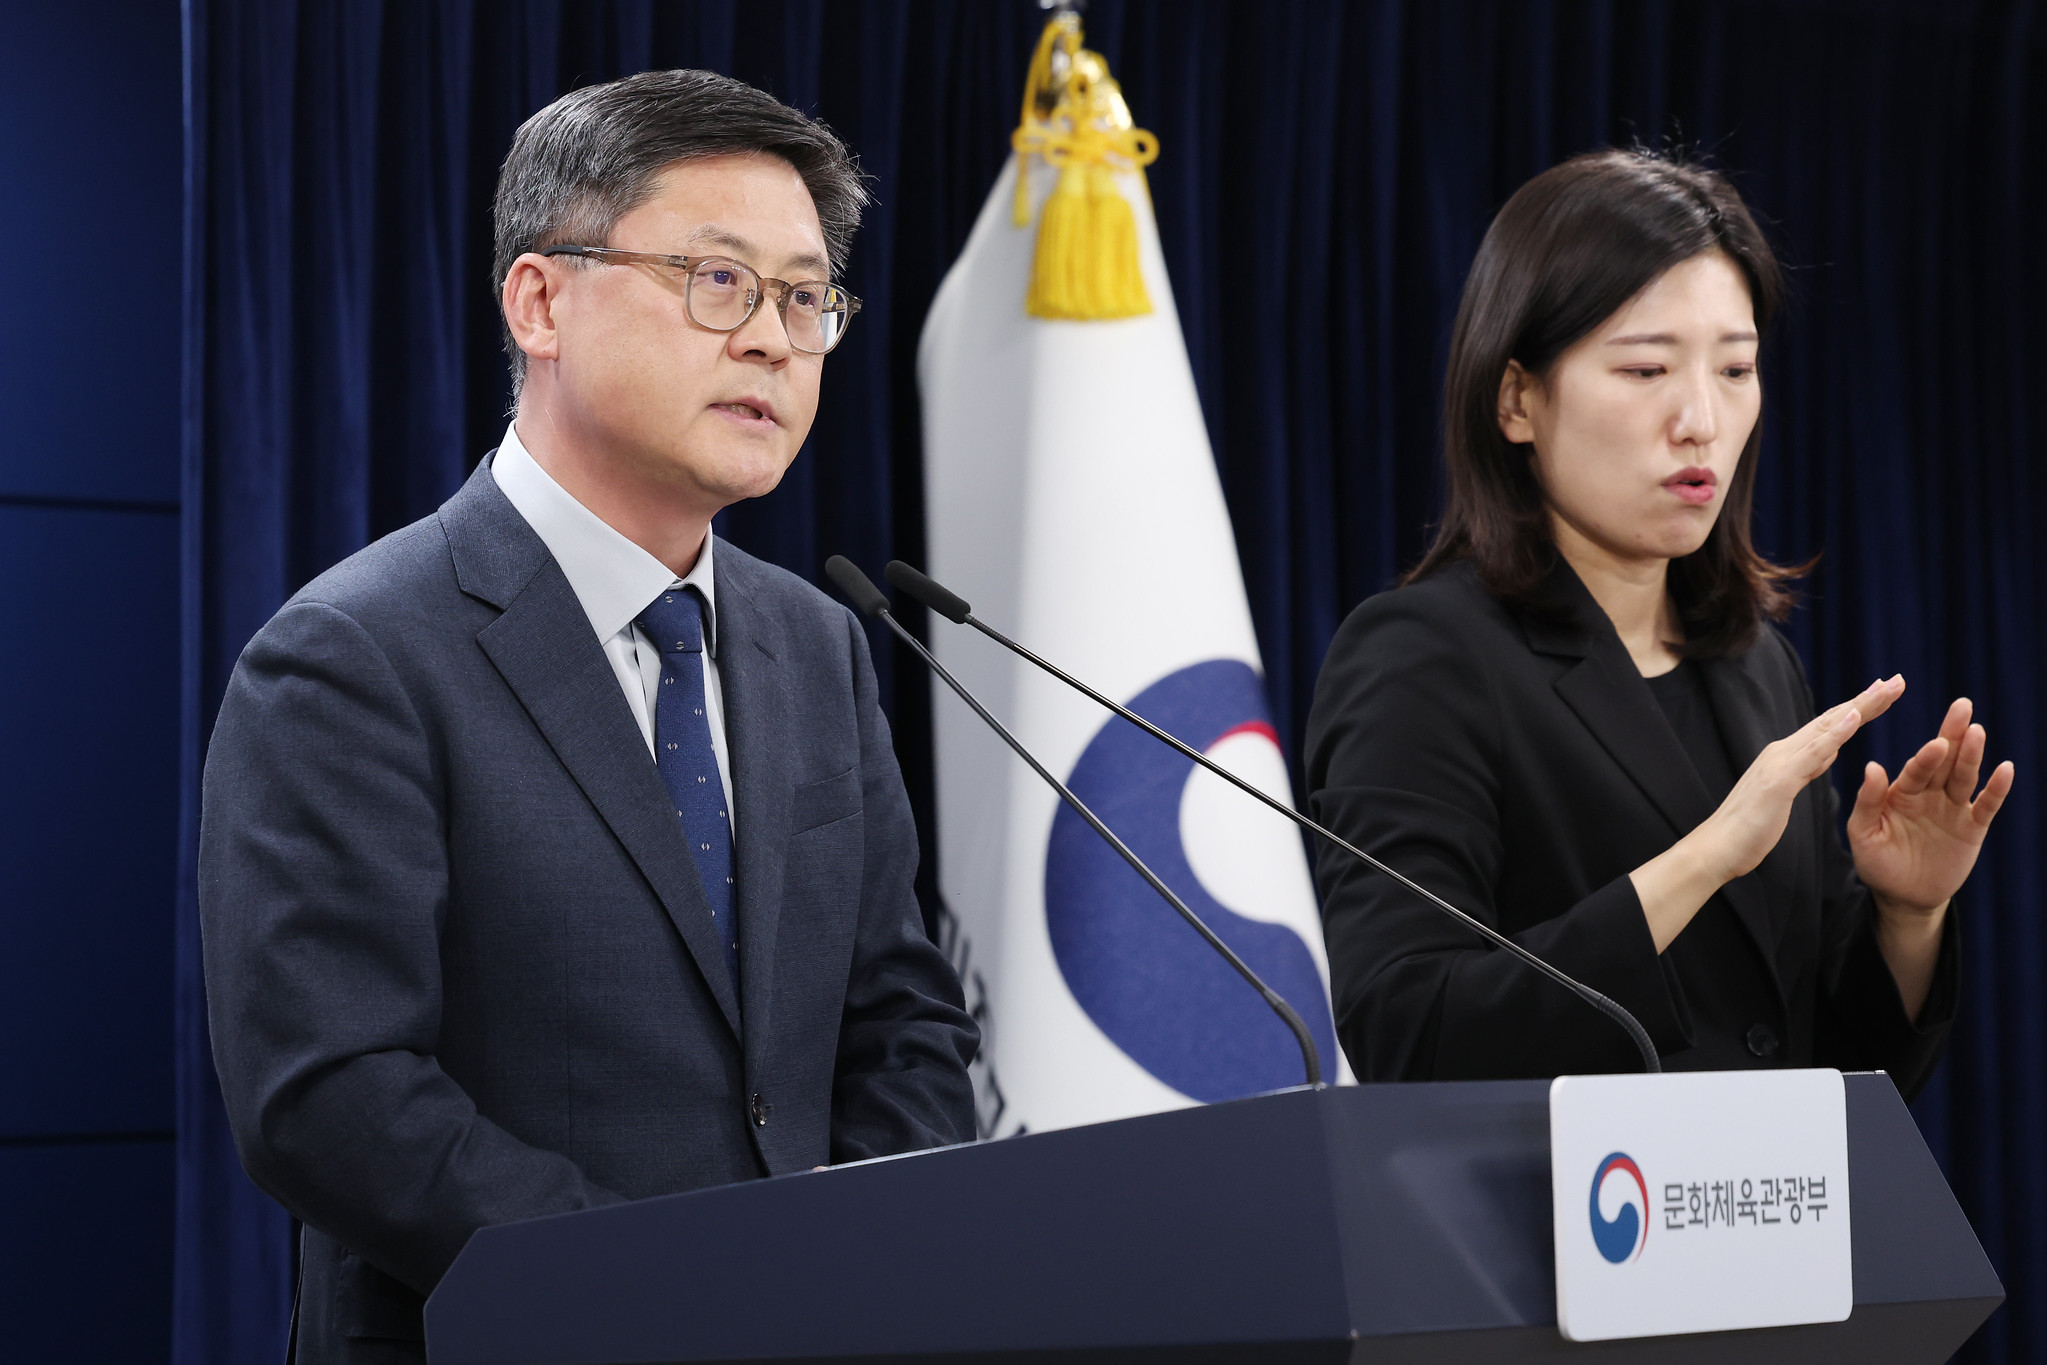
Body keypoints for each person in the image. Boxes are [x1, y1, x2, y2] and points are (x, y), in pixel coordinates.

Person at [200, 70, 977, 1363]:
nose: (773, 341)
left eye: (804, 297)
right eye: (716, 281)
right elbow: (330, 1099)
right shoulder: (353, 657)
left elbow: (903, 1021)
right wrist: (676, 1298)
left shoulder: (818, 643)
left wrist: (853, 1272)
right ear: (541, 298)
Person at [1305, 149, 2013, 1089]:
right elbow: (1409, 1030)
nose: (1700, 420)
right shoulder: (1422, 658)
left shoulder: (1754, 664)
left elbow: (1828, 1060)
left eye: (1734, 369)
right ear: (1516, 398)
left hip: (1761, 1225)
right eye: (1645, 369)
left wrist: (1908, 914)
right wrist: (1708, 856)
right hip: (1541, 1227)